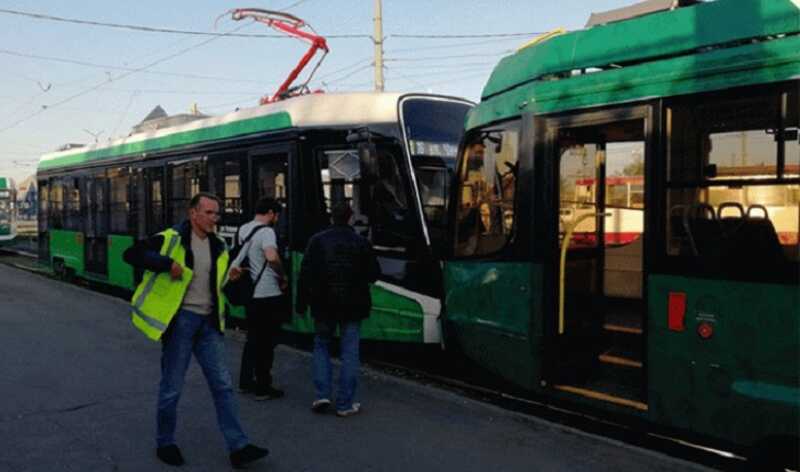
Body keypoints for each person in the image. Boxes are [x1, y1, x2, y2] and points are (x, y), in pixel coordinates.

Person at [123, 192, 269, 469]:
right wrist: (168, 264)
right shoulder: (171, 238)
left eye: (217, 213)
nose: (216, 218)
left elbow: (225, 290)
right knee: (172, 388)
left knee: (223, 386)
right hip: (181, 323)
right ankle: (165, 443)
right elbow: (132, 254)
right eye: (210, 213)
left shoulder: (219, 246)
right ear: (194, 214)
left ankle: (238, 446)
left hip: (209, 324)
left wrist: (234, 280)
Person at [295, 201, 380, 417]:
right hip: (353, 305)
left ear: (331, 217)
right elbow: (373, 274)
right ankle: (344, 404)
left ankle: (322, 394)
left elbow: (305, 274)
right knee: (349, 351)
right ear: (350, 217)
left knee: (322, 346)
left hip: (323, 304)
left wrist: (301, 303)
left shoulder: (317, 241)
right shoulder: (361, 242)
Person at [231, 197, 288, 400]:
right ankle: (263, 387)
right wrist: (282, 276)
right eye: (277, 215)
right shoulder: (267, 232)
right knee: (267, 342)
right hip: (267, 293)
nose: (276, 219)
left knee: (252, 338)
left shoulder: (244, 229)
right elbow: (271, 257)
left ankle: (245, 381)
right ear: (271, 213)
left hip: (250, 294)